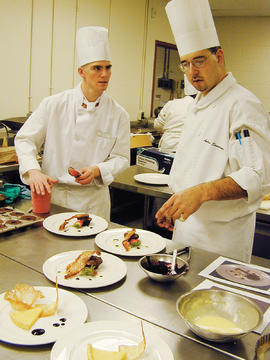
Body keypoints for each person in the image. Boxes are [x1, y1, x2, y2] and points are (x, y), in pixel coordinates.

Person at [155, 0, 270, 262]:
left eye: (199, 61)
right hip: (185, 229)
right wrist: (176, 204)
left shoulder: (242, 104)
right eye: (185, 63)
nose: (192, 72)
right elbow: (196, 166)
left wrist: (201, 193)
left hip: (222, 241)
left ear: (219, 57)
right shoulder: (198, 103)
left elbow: (257, 175)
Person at [15, 26, 130, 221]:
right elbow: (25, 139)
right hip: (56, 197)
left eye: (108, 67)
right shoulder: (54, 104)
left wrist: (97, 170)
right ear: (81, 72)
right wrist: (33, 170)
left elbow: (122, 158)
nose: (104, 74)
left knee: (90, 250)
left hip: (94, 202)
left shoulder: (118, 114)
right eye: (97, 68)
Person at [154, 75, 198, 152]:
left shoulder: (171, 103)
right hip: (186, 148)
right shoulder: (200, 107)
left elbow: (157, 125)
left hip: (167, 146)